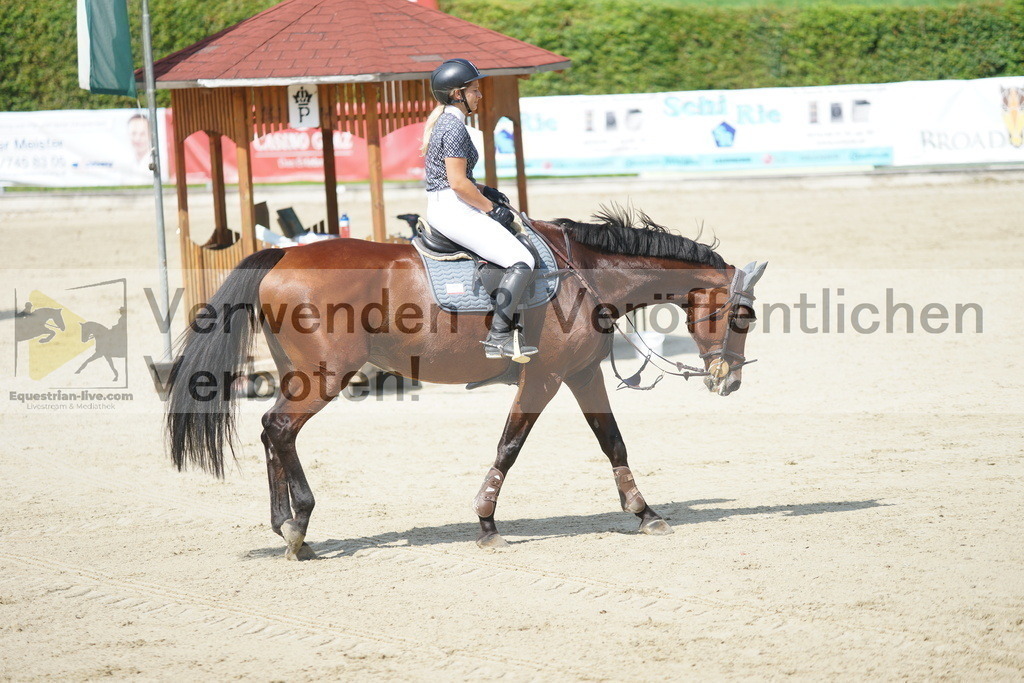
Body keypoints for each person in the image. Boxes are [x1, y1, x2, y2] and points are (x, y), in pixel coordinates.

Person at [421, 58, 538, 363]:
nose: (479, 95)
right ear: (457, 94)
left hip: (448, 204)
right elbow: (458, 183)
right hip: (453, 209)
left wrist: (486, 190)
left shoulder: (448, 122)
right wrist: (490, 209)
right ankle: (498, 338)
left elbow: (457, 179)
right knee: (522, 259)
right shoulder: (454, 127)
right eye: (474, 89)